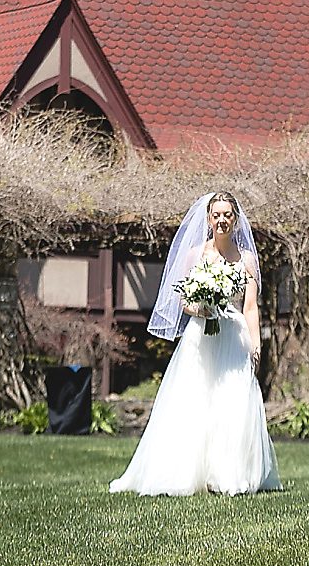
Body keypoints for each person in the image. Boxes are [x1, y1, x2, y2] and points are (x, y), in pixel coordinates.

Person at [109, 191, 282, 496]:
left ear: (236, 219)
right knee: (196, 400)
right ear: (208, 219)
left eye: (227, 214)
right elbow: (183, 301)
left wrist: (256, 345)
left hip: (233, 335)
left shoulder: (247, 260)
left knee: (234, 401)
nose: (222, 220)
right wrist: (201, 308)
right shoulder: (195, 255)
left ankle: (230, 475)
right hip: (200, 336)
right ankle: (186, 472)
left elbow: (251, 307)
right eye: (216, 215)